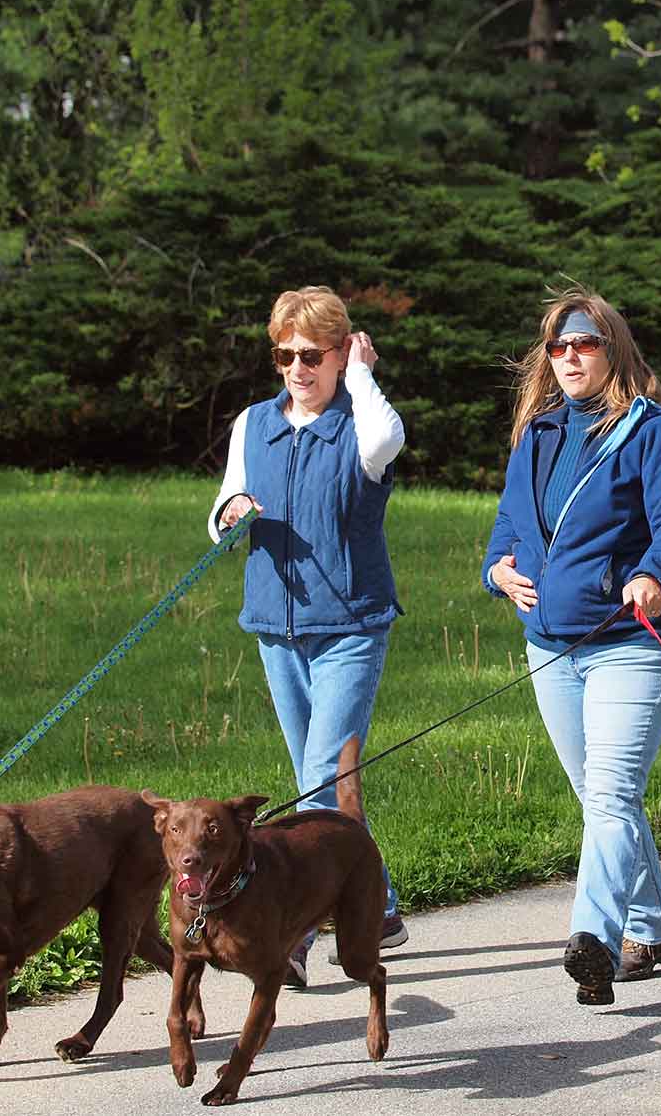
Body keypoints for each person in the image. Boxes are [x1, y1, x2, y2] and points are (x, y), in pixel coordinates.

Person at [481, 285, 661, 1006]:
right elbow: (509, 521)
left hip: (628, 644)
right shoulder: (539, 433)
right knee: (600, 797)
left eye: (585, 342)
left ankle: (594, 939)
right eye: (558, 345)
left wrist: (652, 574)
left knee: (610, 794)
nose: (570, 355)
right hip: (549, 645)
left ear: (613, 350)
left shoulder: (651, 430)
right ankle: (651, 924)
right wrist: (497, 569)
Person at [208, 285, 408, 989]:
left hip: (351, 623)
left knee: (324, 769)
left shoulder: (360, 422)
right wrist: (230, 512)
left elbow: (388, 440)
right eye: (284, 353)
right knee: (314, 775)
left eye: (311, 354)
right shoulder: (254, 423)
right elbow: (224, 506)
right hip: (275, 625)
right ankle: (374, 902)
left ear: (338, 352)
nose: (297, 367)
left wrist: (359, 372)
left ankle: (294, 927)